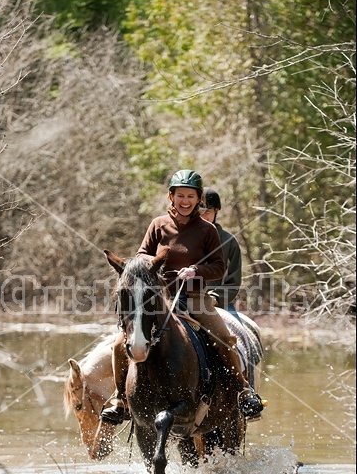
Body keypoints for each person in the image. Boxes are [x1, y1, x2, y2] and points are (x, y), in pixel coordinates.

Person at [101, 169, 264, 425]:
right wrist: (147, 264)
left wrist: (196, 270)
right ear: (171, 196)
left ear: (198, 199)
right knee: (120, 343)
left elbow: (219, 267)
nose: (185, 201)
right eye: (180, 195)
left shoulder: (207, 230)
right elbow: (142, 254)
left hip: (195, 297)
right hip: (160, 300)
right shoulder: (157, 225)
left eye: (190, 196)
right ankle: (119, 399)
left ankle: (243, 391)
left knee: (224, 338)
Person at [200, 187, 243, 323]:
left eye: (207, 211)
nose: (203, 216)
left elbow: (233, 281)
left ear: (216, 211)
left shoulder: (229, 242)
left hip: (219, 302)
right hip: (185, 300)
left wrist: (215, 298)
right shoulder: (185, 239)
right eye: (199, 211)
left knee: (235, 334)